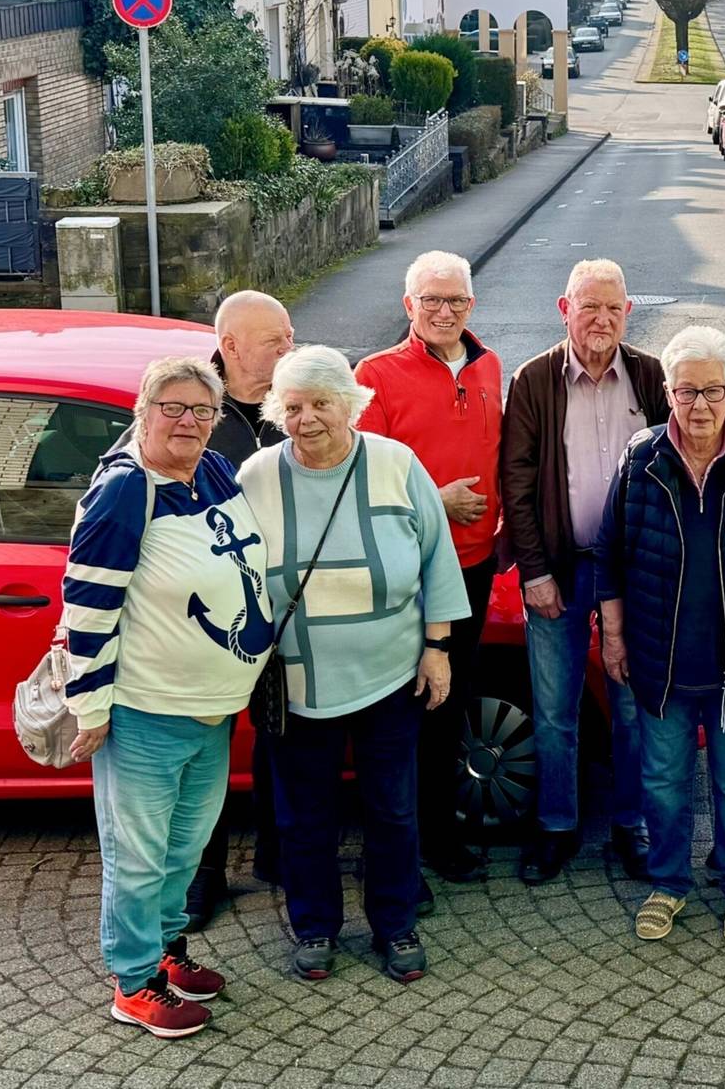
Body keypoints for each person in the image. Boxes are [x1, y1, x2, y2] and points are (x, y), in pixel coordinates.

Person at [238, 347, 470, 986]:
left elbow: (435, 559)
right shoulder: (256, 476)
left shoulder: (395, 465)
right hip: (296, 678)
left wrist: (437, 648)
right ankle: (314, 926)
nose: (306, 419)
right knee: (303, 815)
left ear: (352, 404)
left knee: (392, 809)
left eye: (320, 404)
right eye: (292, 408)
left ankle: (395, 924)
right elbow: (232, 572)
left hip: (390, 673)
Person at [62, 357, 270, 1039]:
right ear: (142, 411)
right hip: (147, 710)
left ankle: (169, 951)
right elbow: (87, 602)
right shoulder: (125, 490)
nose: (188, 421)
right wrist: (90, 705)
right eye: (173, 408)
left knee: (184, 846)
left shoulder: (208, 467)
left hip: (211, 708)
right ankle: (133, 981)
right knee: (141, 851)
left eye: (202, 410)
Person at [599, 326, 725, 944]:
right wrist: (613, 636)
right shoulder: (642, 457)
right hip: (660, 660)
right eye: (687, 392)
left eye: (713, 390)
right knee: (662, 781)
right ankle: (668, 882)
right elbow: (610, 553)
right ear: (667, 393)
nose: (701, 405)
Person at [498, 259, 670, 885]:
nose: (601, 319)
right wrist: (534, 571)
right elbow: (515, 482)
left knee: (631, 708)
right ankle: (555, 827)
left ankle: (632, 826)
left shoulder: (650, 376)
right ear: (564, 309)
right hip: (561, 567)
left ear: (628, 312)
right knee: (554, 710)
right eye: (588, 307)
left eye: (613, 308)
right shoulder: (534, 379)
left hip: (630, 572)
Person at [354, 251, 503, 893]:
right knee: (396, 719)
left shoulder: (490, 365)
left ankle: (439, 837)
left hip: (470, 568)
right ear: (409, 305)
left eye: (456, 301)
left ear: (471, 304)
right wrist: (433, 501)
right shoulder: (376, 374)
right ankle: (393, 853)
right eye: (431, 301)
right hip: (402, 575)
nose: (444, 312)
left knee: (447, 710)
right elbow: (356, 477)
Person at [181, 290, 294, 932]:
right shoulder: (193, 409)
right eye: (276, 339)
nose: (289, 348)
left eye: (289, 336)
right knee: (207, 749)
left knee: (283, 737)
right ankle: (203, 876)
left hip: (283, 607)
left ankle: (279, 854)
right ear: (229, 346)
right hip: (215, 615)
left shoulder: (293, 403)